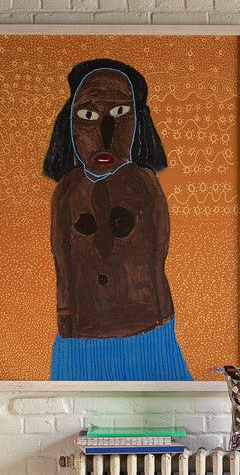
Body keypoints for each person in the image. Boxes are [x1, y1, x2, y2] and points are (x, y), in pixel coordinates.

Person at [43, 58, 192, 381]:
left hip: (147, 333)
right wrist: (66, 321)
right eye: (87, 116)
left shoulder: (143, 185)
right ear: (69, 125)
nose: (105, 132)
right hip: (79, 340)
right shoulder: (67, 192)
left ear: (139, 123)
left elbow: (154, 256)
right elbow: (63, 267)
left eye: (120, 114)